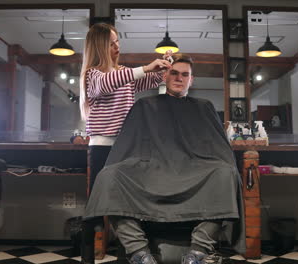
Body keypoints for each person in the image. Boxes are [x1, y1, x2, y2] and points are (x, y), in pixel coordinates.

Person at [84, 53, 245, 264]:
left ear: (191, 79)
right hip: (151, 171)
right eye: (174, 73)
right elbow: (129, 146)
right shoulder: (144, 106)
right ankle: (139, 252)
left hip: (195, 171)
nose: (179, 78)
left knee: (227, 174)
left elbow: (219, 150)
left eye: (185, 75)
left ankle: (197, 251)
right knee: (108, 176)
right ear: (164, 76)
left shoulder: (204, 107)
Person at [79, 23, 172, 264]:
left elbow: (149, 81)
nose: (117, 46)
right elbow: (107, 84)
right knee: (96, 207)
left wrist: (164, 67)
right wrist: (145, 67)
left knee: (127, 205)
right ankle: (87, 258)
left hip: (126, 147)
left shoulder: (124, 74)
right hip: (101, 146)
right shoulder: (93, 75)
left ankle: (127, 256)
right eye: (111, 43)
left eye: (118, 41)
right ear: (100, 46)